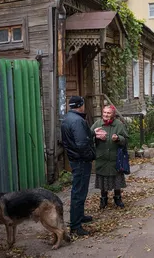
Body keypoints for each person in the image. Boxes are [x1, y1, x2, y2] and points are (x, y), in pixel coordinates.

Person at [61, 96, 96, 236]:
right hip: (81, 161)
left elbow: (78, 138)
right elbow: (82, 144)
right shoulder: (77, 121)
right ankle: (76, 226)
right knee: (79, 193)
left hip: (75, 159)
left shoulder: (68, 118)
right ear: (80, 105)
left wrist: (93, 133)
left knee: (79, 191)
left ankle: (79, 216)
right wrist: (91, 156)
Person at [91, 105, 129, 210]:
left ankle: (118, 198)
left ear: (113, 114)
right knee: (103, 180)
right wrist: (96, 137)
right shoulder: (97, 124)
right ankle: (103, 199)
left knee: (117, 179)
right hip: (102, 157)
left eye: (108, 113)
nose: (106, 115)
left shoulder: (119, 124)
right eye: (104, 113)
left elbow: (126, 140)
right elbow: (89, 137)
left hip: (115, 158)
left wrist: (118, 138)